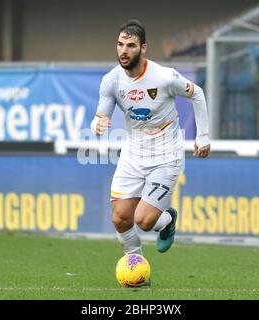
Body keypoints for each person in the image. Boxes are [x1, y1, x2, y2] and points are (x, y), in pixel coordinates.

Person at [90, 20, 210, 262]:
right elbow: (100, 115)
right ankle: (135, 263)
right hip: (133, 153)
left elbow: (196, 93)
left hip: (166, 155)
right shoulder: (111, 80)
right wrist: (98, 124)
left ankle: (166, 220)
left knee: (144, 221)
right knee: (120, 217)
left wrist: (203, 136)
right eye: (120, 44)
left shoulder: (165, 77)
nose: (123, 51)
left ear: (143, 48)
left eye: (131, 45)